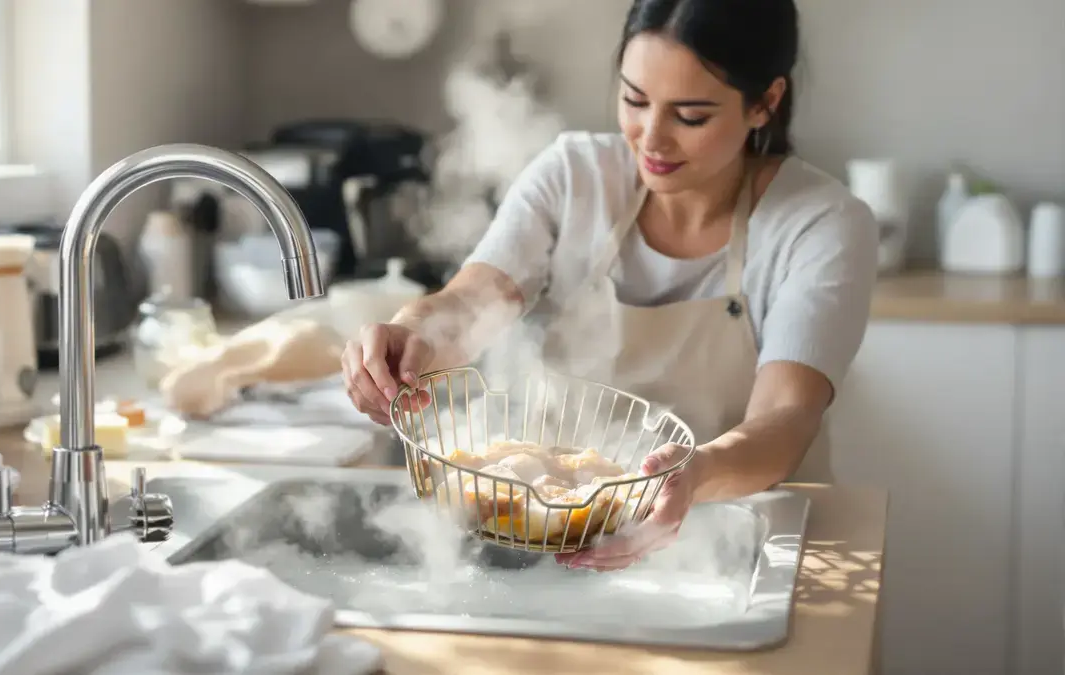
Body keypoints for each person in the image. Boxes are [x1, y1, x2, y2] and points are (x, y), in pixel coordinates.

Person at [340, 0, 879, 571]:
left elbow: (786, 416)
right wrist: (412, 335)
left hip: (749, 538)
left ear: (765, 102)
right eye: (634, 101)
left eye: (690, 117)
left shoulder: (821, 224)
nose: (652, 140)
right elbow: (471, 301)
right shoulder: (574, 176)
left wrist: (695, 473)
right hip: (555, 528)